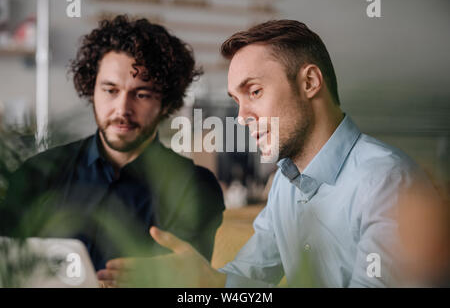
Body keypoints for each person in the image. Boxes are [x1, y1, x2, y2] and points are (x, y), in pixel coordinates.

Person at [97, 19, 444, 288]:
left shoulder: (387, 181)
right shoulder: (286, 183)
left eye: (255, 91)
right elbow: (251, 279)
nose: (242, 117)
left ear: (309, 83)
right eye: (237, 100)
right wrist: (203, 283)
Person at [0, 15, 225, 272]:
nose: (122, 109)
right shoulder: (37, 173)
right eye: (110, 90)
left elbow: (189, 280)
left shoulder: (194, 187)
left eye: (141, 94)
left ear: (166, 103)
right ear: (91, 90)